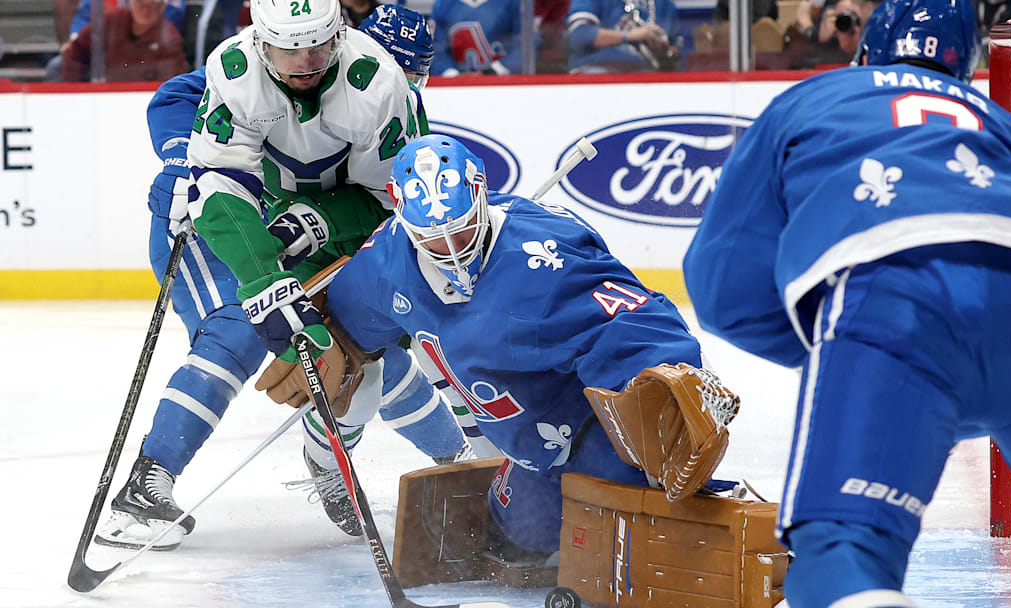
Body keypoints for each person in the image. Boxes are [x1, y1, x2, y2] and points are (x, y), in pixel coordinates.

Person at [682, 0, 1011, 605]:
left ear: (867, 50)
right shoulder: (999, 125)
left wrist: (852, 359)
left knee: (840, 557)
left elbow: (719, 289)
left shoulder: (811, 98)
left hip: (898, 296)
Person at [94, 2, 467, 551]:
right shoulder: (250, 66)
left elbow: (384, 203)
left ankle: (435, 461)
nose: (305, 60)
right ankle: (148, 483)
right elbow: (180, 107)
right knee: (238, 329)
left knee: (361, 351)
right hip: (214, 225)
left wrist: (323, 224)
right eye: (400, 70)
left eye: (416, 76)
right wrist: (180, 161)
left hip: (308, 235)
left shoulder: (379, 90)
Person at [304, 133, 733, 557]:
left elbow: (634, 322)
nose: (452, 249)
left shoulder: (547, 255)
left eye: (462, 228)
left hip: (598, 430)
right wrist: (321, 340)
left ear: (480, 195)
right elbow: (345, 321)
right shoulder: (386, 260)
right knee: (517, 545)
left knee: (632, 544)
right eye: (433, 237)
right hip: (528, 454)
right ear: (402, 219)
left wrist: (676, 377)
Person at [60, 0, 188, 82]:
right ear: (130, 2)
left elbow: (170, 85)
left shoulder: (169, 37)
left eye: (152, 5)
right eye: (140, 3)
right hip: (102, 96)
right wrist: (75, 93)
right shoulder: (111, 21)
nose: (145, 10)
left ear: (162, 7)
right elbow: (75, 54)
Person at [566, 0, 679, 73]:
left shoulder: (665, 4)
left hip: (646, 77)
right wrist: (630, 35)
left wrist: (664, 50)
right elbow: (579, 36)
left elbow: (678, 56)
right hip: (595, 74)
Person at [430, 0, 530, 76]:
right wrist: (453, 75)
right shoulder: (443, 4)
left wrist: (494, 71)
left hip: (504, 84)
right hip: (457, 85)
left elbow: (527, 44)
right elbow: (435, 48)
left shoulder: (511, 3)